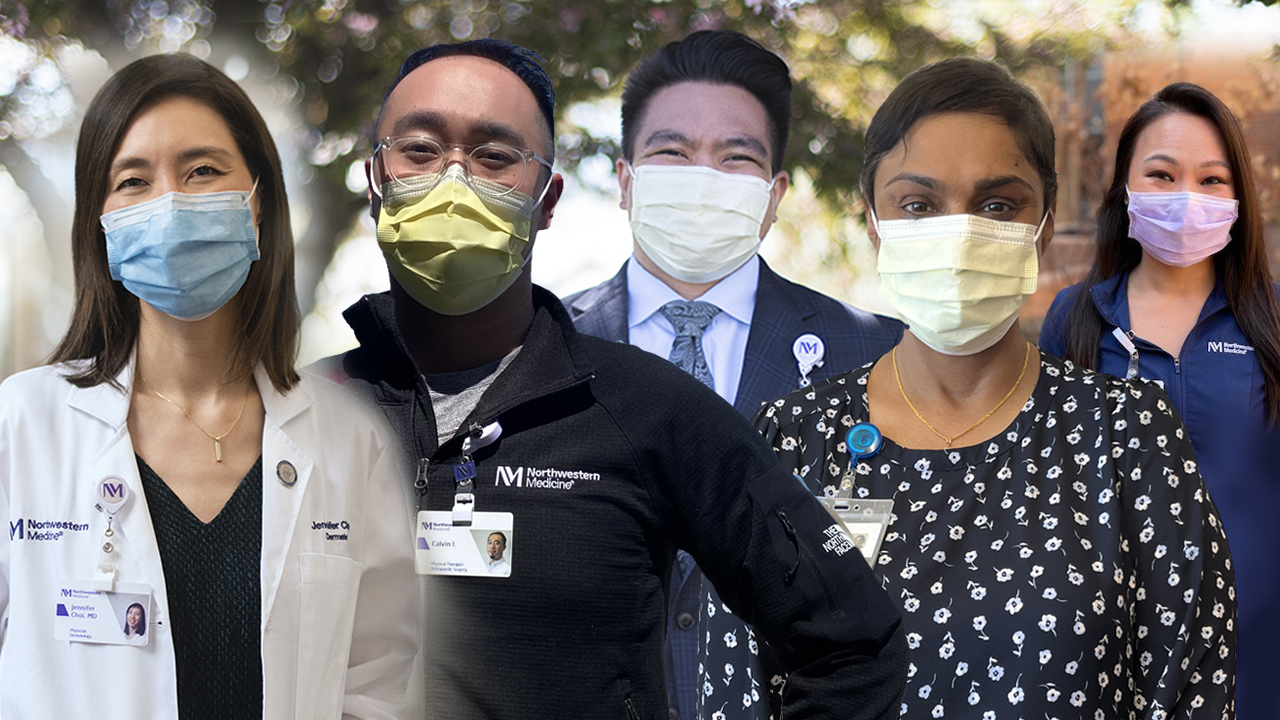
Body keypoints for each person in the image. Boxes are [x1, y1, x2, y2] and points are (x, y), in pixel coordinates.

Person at [321, 38, 907, 720]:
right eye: (419, 150)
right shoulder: (293, 416)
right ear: (374, 180)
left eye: (495, 156)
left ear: (547, 200)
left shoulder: (650, 406)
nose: (455, 180)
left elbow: (855, 639)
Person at [754, 58, 1236, 718]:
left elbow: (1192, 686)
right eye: (919, 205)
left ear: (1043, 224)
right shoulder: (793, 440)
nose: (958, 234)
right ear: (873, 222)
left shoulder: (1128, 437)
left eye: (997, 204)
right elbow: (738, 682)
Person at [0, 54, 418, 719]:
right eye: (133, 180)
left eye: (202, 171)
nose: (169, 203)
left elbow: (378, 676)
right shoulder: (21, 423)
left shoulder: (347, 437)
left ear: (258, 203)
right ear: (100, 224)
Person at [563, 31, 904, 720]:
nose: (704, 176)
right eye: (673, 152)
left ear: (774, 196)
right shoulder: (545, 352)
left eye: (735, 156)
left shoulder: (876, 356)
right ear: (627, 182)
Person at [1040, 81, 1280, 718]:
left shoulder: (1273, 319)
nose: (1186, 199)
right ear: (1125, 188)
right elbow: (1050, 495)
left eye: (1211, 181)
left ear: (1237, 197)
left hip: (1259, 651)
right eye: (1162, 174)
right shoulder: (1078, 316)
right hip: (1112, 652)